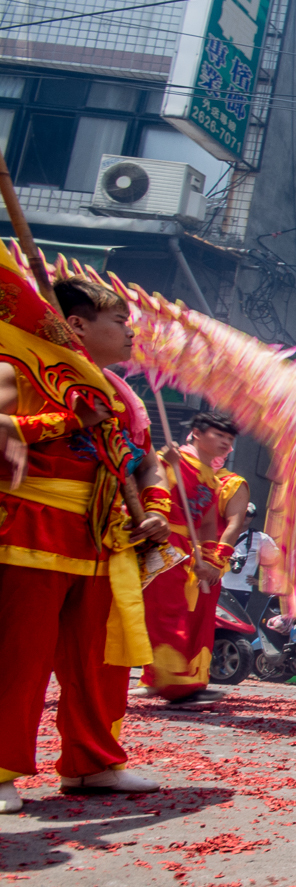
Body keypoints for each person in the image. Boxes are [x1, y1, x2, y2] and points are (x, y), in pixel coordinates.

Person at [0, 270, 168, 809]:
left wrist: (156, 510)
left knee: (101, 662)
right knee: (19, 657)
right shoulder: (18, 367)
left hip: (104, 539)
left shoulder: (123, 393)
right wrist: (65, 417)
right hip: (33, 528)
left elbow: (147, 464)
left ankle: (92, 763)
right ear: (75, 325)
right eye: (119, 321)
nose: (130, 332)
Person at [141, 408, 241, 707]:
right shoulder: (169, 460)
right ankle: (175, 685)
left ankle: (172, 680)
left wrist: (208, 559)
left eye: (229, 438)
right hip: (161, 542)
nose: (226, 442)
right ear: (196, 433)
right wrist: (166, 465)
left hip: (185, 549)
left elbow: (208, 524)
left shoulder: (212, 479)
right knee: (165, 611)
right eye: (219, 435)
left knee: (173, 611)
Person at [220, 505, 277, 629]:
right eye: (242, 512)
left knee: (233, 626)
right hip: (217, 586)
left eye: (249, 514)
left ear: (253, 517)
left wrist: (262, 582)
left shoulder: (260, 538)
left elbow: (277, 561)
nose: (245, 516)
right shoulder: (220, 532)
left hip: (240, 589)